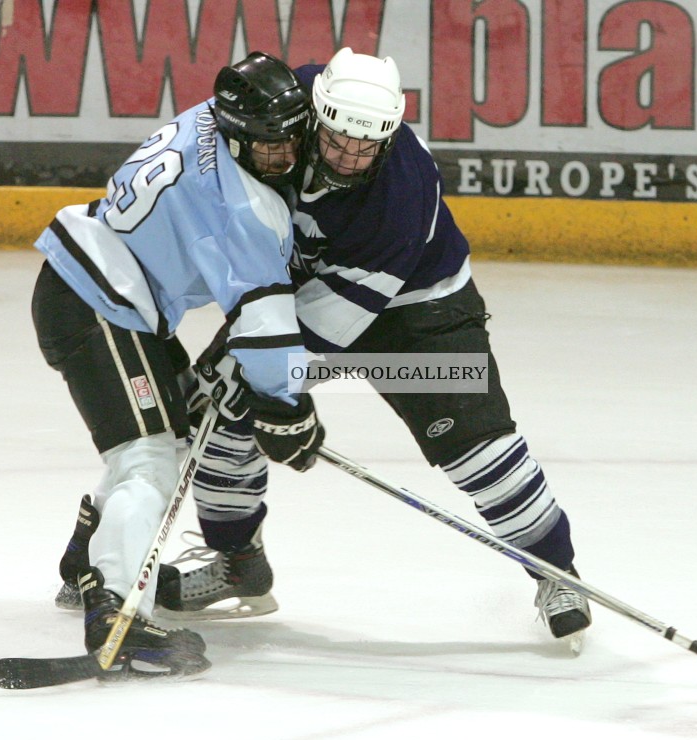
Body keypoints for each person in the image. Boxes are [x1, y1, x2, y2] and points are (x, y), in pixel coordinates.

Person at [147, 47, 592, 653]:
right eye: (336, 141)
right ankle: (237, 564)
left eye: (366, 147)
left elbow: (332, 326)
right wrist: (250, 385)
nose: (349, 157)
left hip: (418, 314)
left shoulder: (400, 196)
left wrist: (272, 386)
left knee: (475, 447)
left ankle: (557, 573)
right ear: (316, 113)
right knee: (222, 409)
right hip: (304, 287)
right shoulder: (288, 102)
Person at [32, 51, 325, 680]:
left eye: (293, 138)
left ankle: (84, 560)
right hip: (101, 305)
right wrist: (288, 409)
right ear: (241, 134)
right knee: (148, 458)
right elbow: (267, 329)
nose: (287, 156)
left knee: (168, 428)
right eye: (271, 146)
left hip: (99, 289)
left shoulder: (206, 119)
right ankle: (114, 611)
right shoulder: (249, 207)